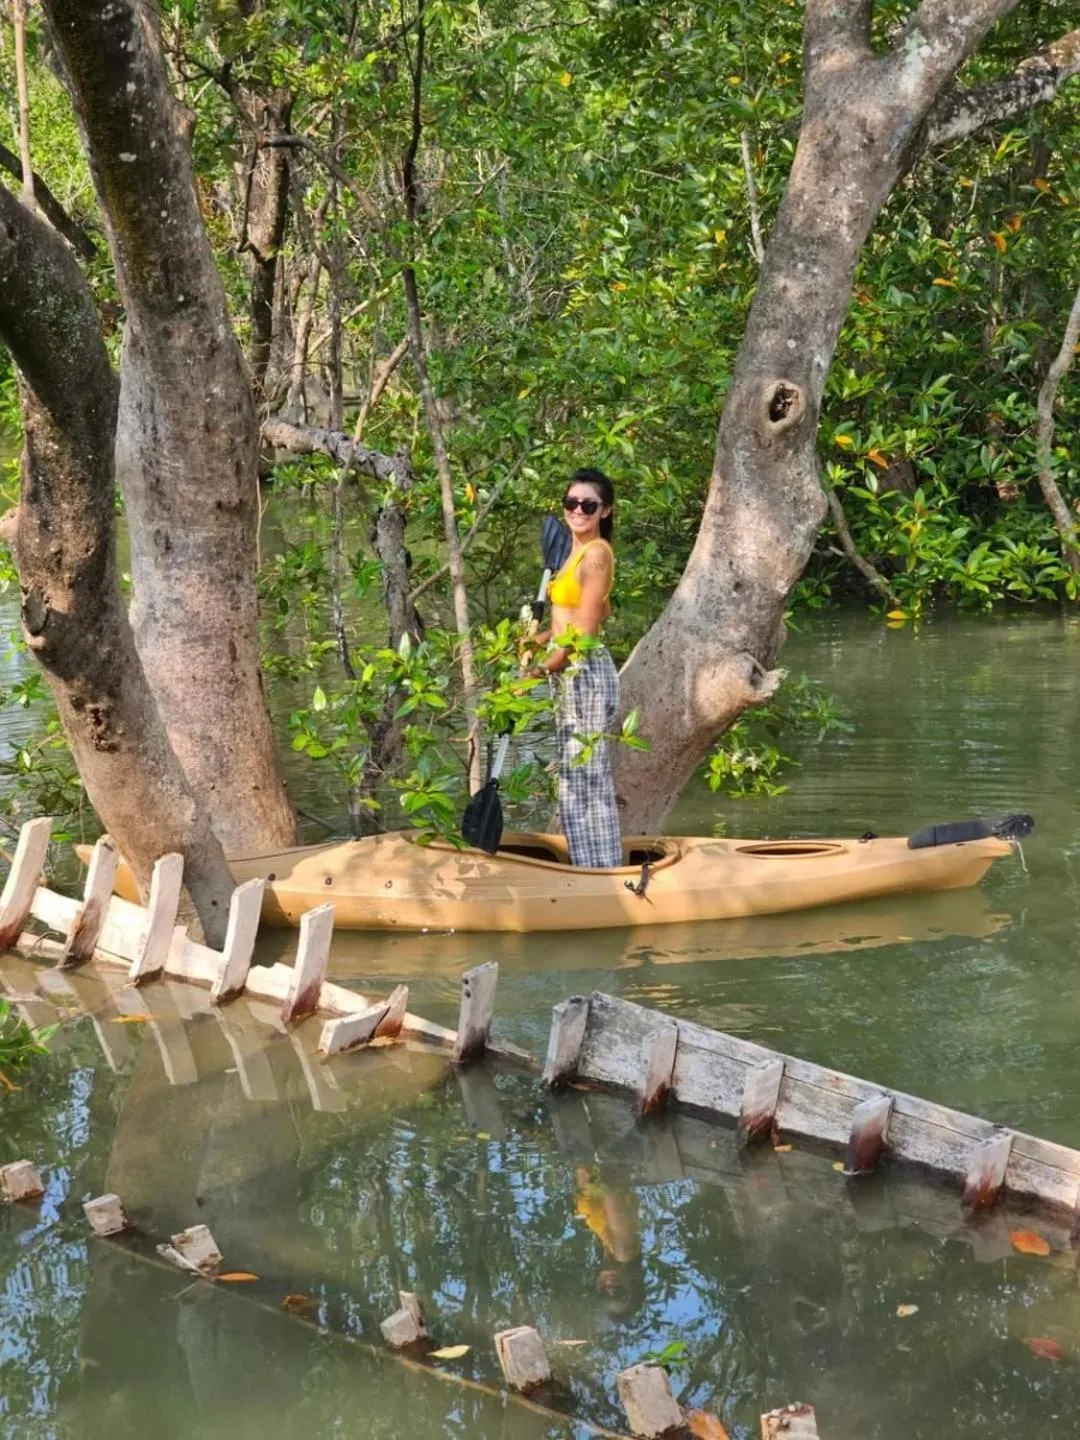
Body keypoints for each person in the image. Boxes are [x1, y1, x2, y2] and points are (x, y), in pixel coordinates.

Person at [529, 468, 623, 869]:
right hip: (566, 667)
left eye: (589, 505)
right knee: (572, 777)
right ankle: (585, 864)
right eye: (572, 503)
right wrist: (534, 641)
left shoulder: (597, 553)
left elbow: (583, 634)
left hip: (583, 670)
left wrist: (539, 671)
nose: (578, 511)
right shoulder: (569, 553)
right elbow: (572, 619)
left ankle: (600, 871)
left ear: (605, 510)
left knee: (587, 778)